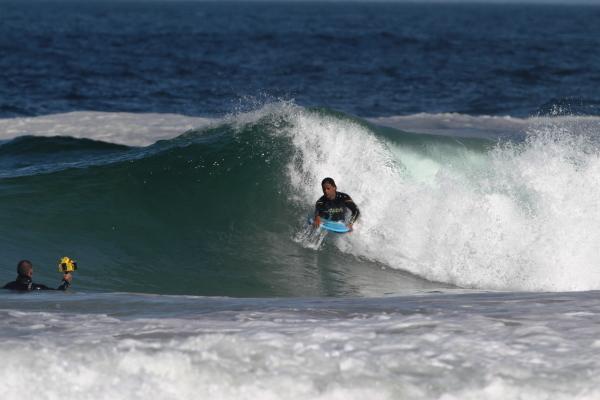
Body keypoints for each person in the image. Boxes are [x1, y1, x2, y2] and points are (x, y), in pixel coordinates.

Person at [3, 259, 72, 291]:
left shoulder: (8, 286)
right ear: (31, 272)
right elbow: (59, 292)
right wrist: (66, 281)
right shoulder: (37, 287)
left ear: (17, 271)